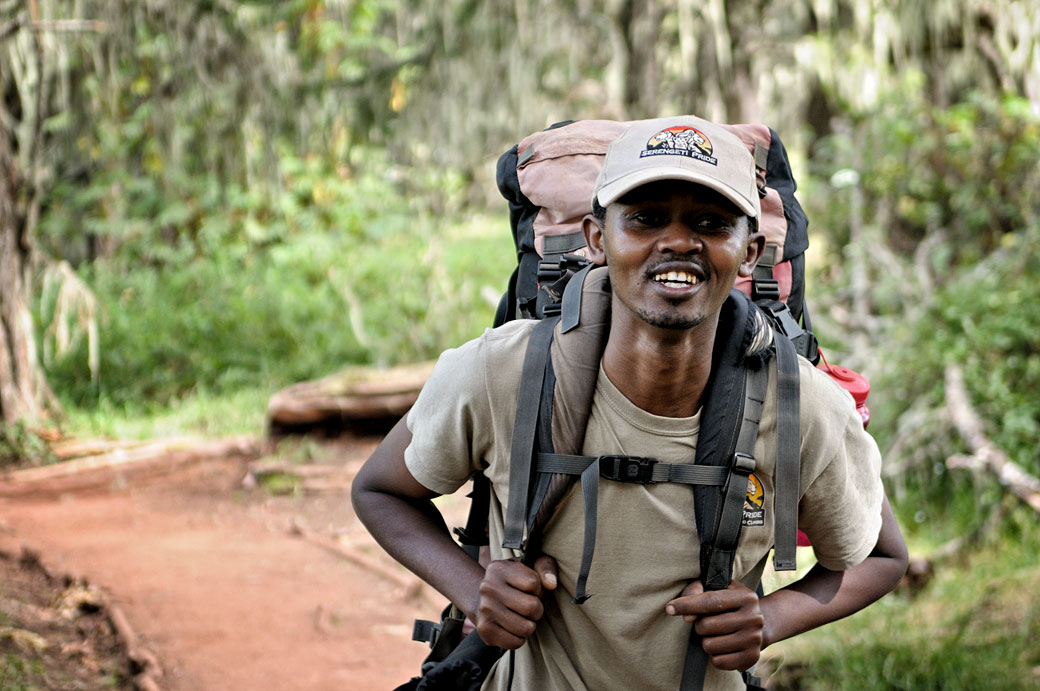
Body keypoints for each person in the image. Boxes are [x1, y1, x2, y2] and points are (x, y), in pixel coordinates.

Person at [351, 115, 908, 690]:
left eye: (712, 223)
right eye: (644, 219)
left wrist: (771, 618)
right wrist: (474, 588)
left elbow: (881, 555)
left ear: (750, 251)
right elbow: (381, 489)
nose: (678, 242)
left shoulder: (798, 403)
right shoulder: (502, 371)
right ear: (597, 238)